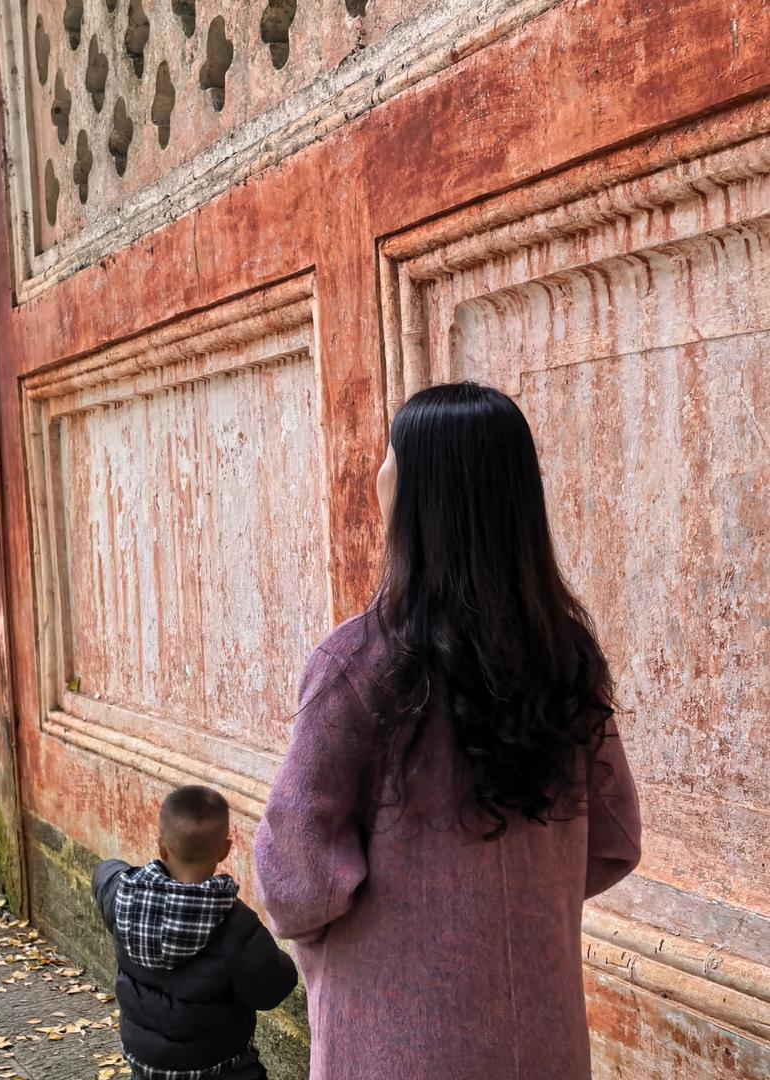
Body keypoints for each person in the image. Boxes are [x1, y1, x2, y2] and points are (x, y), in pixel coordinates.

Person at [254, 381, 641, 1080]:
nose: (378, 473)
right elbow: (613, 840)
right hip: (545, 1043)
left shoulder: (360, 665)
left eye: (389, 456)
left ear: (415, 492)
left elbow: (296, 880)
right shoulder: (566, 657)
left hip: (393, 1043)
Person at [93, 784, 297, 1080]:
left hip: (147, 1066)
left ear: (161, 846)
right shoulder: (237, 926)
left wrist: (140, 879)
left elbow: (105, 872)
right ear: (224, 850)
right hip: (220, 1069)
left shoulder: (121, 895)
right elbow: (272, 990)